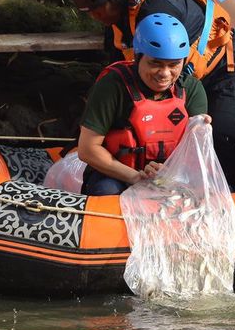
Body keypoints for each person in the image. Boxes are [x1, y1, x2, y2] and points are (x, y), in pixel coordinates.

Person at [69, 0, 235, 192]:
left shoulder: (158, 13)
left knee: (222, 139)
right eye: (89, 11)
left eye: (98, 8)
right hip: (187, 74)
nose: (95, 16)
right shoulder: (118, 22)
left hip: (229, 69)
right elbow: (119, 79)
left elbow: (167, 75)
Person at [77, 14, 209, 196]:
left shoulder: (191, 89)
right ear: (138, 57)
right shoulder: (112, 86)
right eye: (155, 63)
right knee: (107, 190)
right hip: (119, 175)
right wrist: (137, 177)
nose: (165, 73)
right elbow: (87, 149)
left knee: (206, 192)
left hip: (173, 175)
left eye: (174, 65)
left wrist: (201, 130)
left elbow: (196, 153)